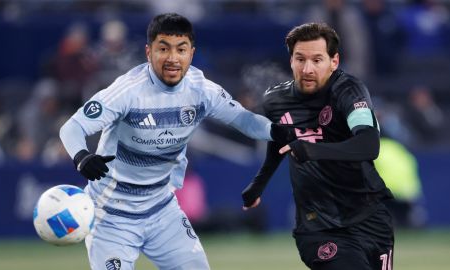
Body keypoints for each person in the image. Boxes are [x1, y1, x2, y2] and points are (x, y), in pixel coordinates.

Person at [59, 13, 292, 270]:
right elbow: (73, 127)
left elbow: (245, 120)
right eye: (163, 49)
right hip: (111, 217)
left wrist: (278, 131)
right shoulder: (128, 91)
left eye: (181, 49)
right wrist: (81, 156)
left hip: (162, 211)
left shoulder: (201, 89)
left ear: (191, 53)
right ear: (149, 52)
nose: (172, 58)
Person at [241, 22, 395, 270]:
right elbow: (279, 141)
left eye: (317, 59)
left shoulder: (349, 91)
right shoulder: (275, 100)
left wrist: (313, 150)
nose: (307, 68)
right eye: (300, 59)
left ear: (334, 61)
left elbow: (368, 145)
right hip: (317, 225)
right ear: (290, 60)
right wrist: (258, 185)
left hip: (370, 218)